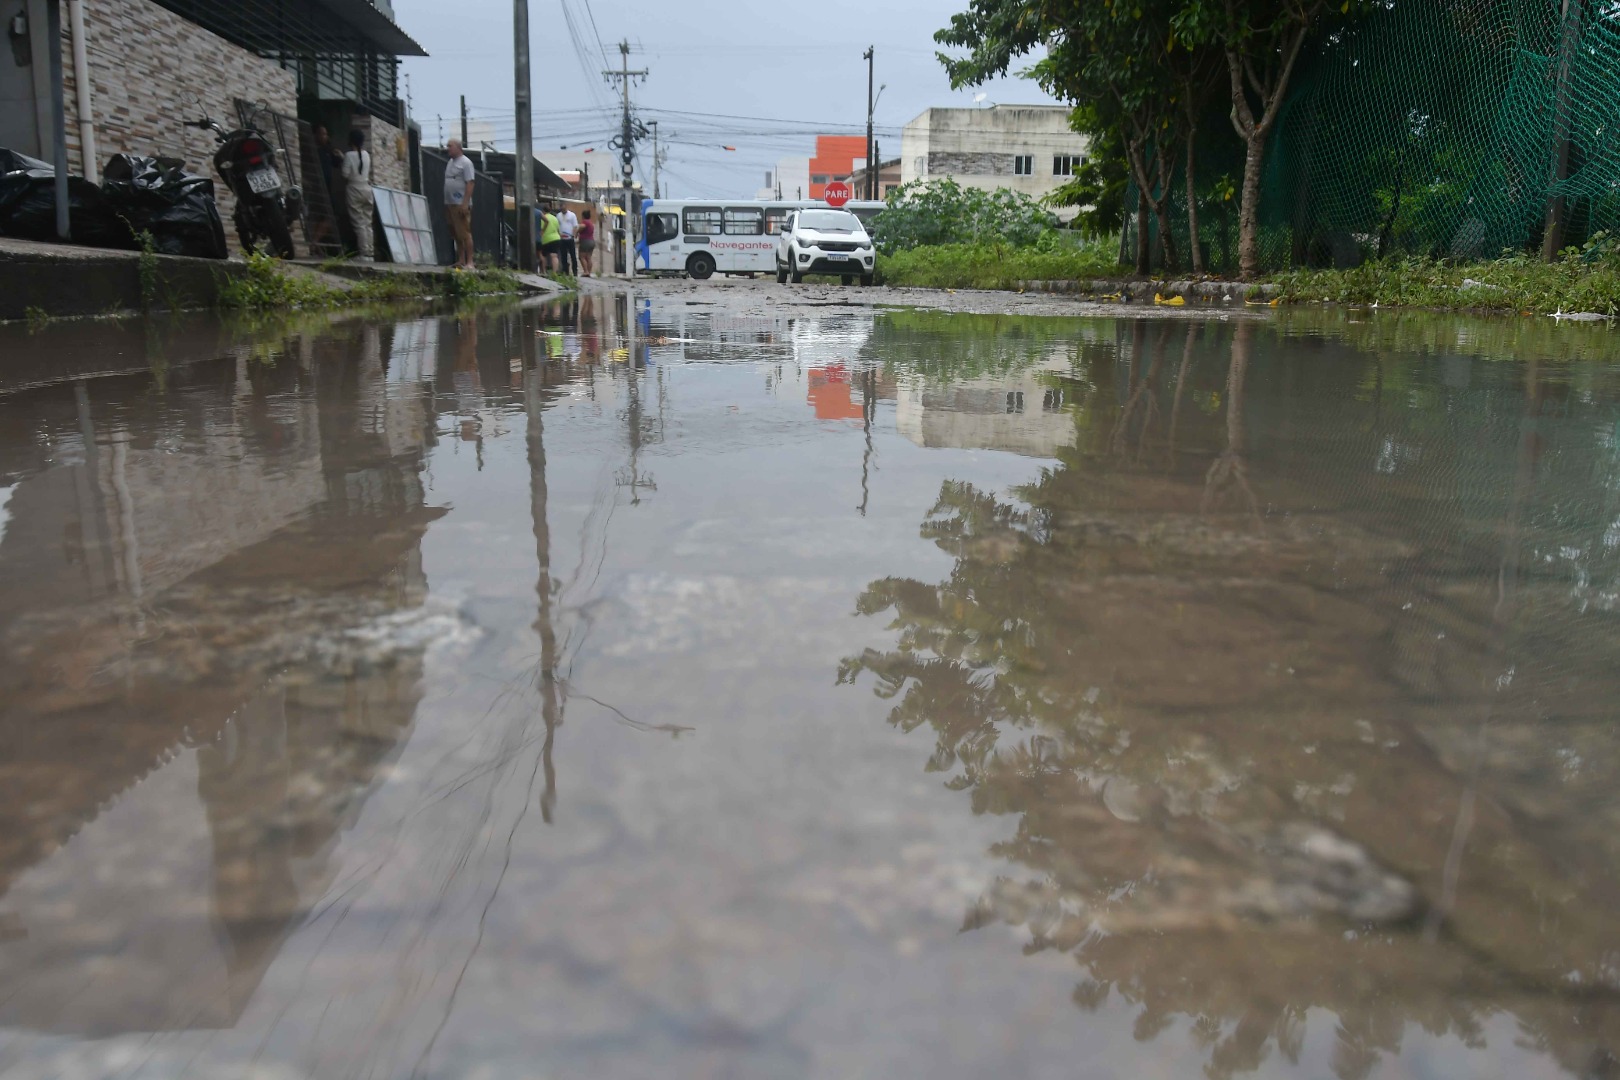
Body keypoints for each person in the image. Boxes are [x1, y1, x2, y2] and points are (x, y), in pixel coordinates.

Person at [340, 128, 374, 262]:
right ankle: (370, 253)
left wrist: (342, 159)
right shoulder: (367, 155)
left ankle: (363, 253)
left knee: (359, 222)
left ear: (351, 141)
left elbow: (345, 174)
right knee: (367, 222)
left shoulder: (348, 155)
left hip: (354, 189)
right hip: (367, 189)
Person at [443, 139, 477, 269]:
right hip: (450, 203)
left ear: (458, 147)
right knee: (455, 232)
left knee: (464, 232)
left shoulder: (466, 163)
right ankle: (461, 259)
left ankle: (470, 261)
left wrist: (465, 203)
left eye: (450, 146)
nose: (448, 148)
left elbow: (470, 183)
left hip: (460, 203)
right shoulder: (450, 163)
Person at [537, 204, 562, 273]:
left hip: (546, 239)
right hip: (556, 238)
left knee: (543, 255)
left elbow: (541, 229)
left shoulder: (543, 218)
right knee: (554, 256)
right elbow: (558, 229)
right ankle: (555, 272)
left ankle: (544, 272)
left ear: (543, 211)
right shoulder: (555, 218)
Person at [557, 203, 579, 275]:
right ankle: (565, 271)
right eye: (561, 209)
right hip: (562, 238)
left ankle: (575, 271)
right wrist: (559, 234)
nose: (563, 210)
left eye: (564, 209)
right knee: (563, 256)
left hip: (570, 238)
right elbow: (557, 226)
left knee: (573, 255)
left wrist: (573, 235)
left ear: (566, 207)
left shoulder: (572, 215)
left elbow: (575, 226)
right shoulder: (558, 215)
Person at [577, 209, 596, 277]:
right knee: (588, 257)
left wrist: (577, 232)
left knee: (581, 257)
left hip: (585, 241)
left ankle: (585, 271)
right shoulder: (591, 223)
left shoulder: (585, 222)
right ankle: (589, 272)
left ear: (583, 216)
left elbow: (582, 226)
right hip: (591, 241)